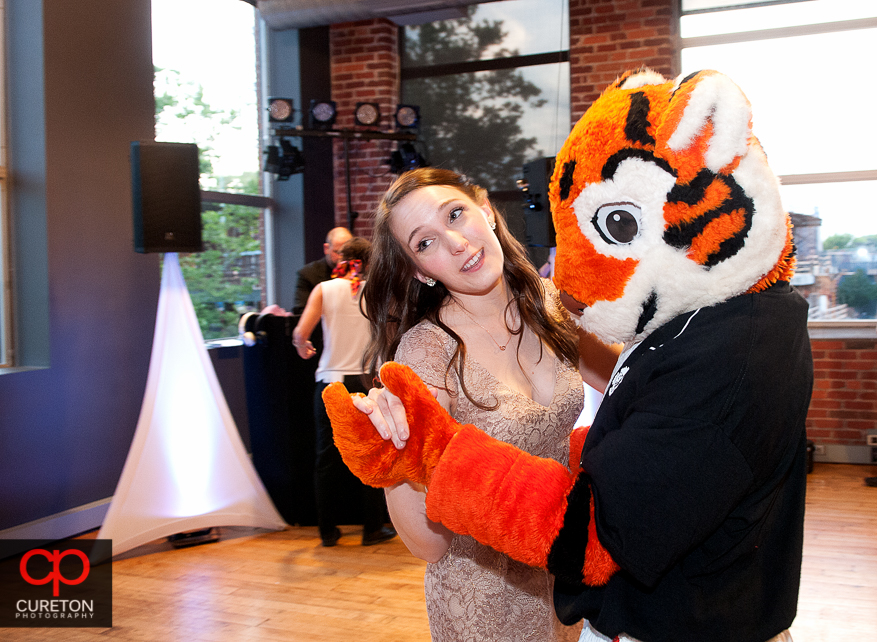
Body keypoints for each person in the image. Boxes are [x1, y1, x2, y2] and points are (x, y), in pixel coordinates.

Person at [354, 168, 619, 641]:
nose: (455, 242)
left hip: (562, 578)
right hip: (484, 597)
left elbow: (627, 384)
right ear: (420, 270)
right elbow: (428, 544)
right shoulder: (427, 351)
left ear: (488, 211)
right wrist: (394, 453)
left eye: (456, 214)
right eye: (425, 243)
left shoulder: (548, 303)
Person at [292, 237, 396, 547]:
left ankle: (327, 531)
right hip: (367, 382)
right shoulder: (378, 292)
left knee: (327, 457)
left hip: (331, 382)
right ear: (368, 261)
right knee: (371, 454)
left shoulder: (324, 289)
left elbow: (300, 333)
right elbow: (391, 334)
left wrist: (304, 348)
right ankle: (372, 529)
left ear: (343, 259)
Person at [293, 226, 353, 314]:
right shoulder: (308, 274)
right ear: (326, 248)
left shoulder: (358, 273)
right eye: (337, 252)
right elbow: (300, 312)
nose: (342, 257)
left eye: (347, 253)